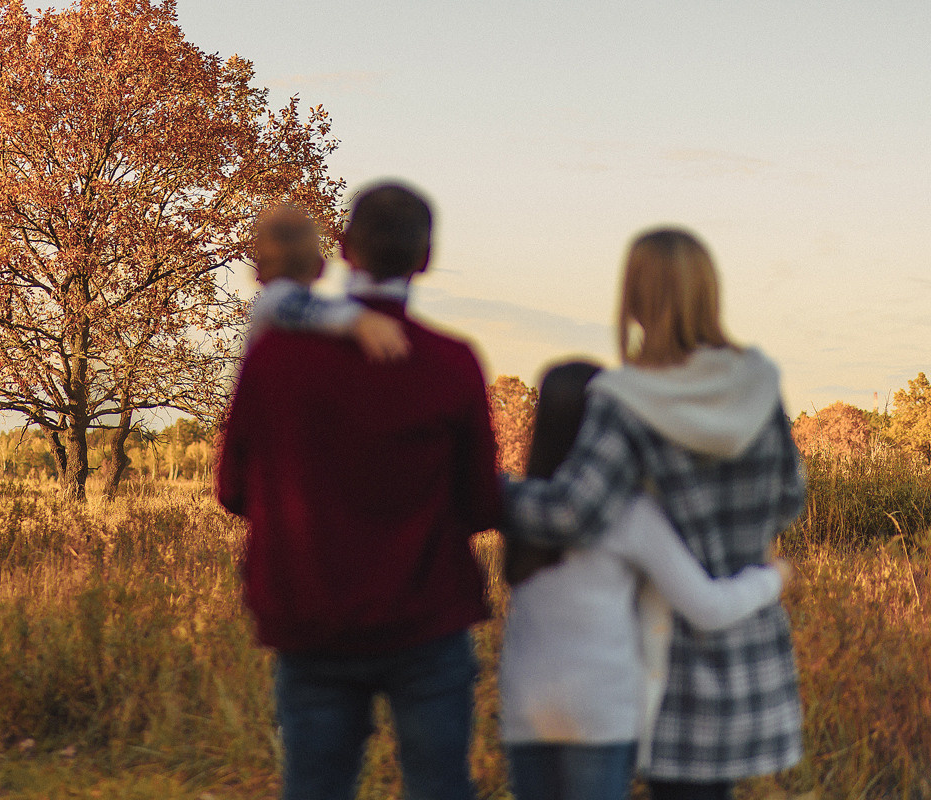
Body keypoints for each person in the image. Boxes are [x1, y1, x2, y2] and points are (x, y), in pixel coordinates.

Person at [218, 183, 502, 800]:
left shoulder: (275, 357)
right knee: (439, 785)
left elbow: (234, 488)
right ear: (425, 258)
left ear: (343, 250)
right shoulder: (453, 362)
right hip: (426, 613)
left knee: (315, 785)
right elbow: (482, 501)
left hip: (310, 612)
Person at [500, 228, 806, 800]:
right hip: (745, 638)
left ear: (636, 298)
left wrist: (490, 492)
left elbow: (572, 512)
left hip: (661, 651)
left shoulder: (628, 399)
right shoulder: (760, 385)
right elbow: (789, 498)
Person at [247, 203, 410, 362]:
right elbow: (284, 301)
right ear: (321, 267)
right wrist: (357, 319)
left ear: (258, 267)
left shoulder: (273, 327)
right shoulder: (275, 305)